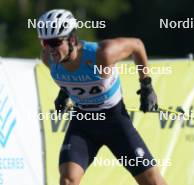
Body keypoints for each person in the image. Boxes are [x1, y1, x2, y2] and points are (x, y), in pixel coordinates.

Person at [37, 9, 168, 185]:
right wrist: (64, 93)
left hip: (115, 122)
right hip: (83, 123)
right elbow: (68, 78)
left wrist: (146, 86)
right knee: (68, 180)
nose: (50, 49)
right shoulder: (49, 58)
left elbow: (137, 45)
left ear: (72, 39)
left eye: (54, 42)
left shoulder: (102, 54)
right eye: (45, 42)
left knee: (153, 182)